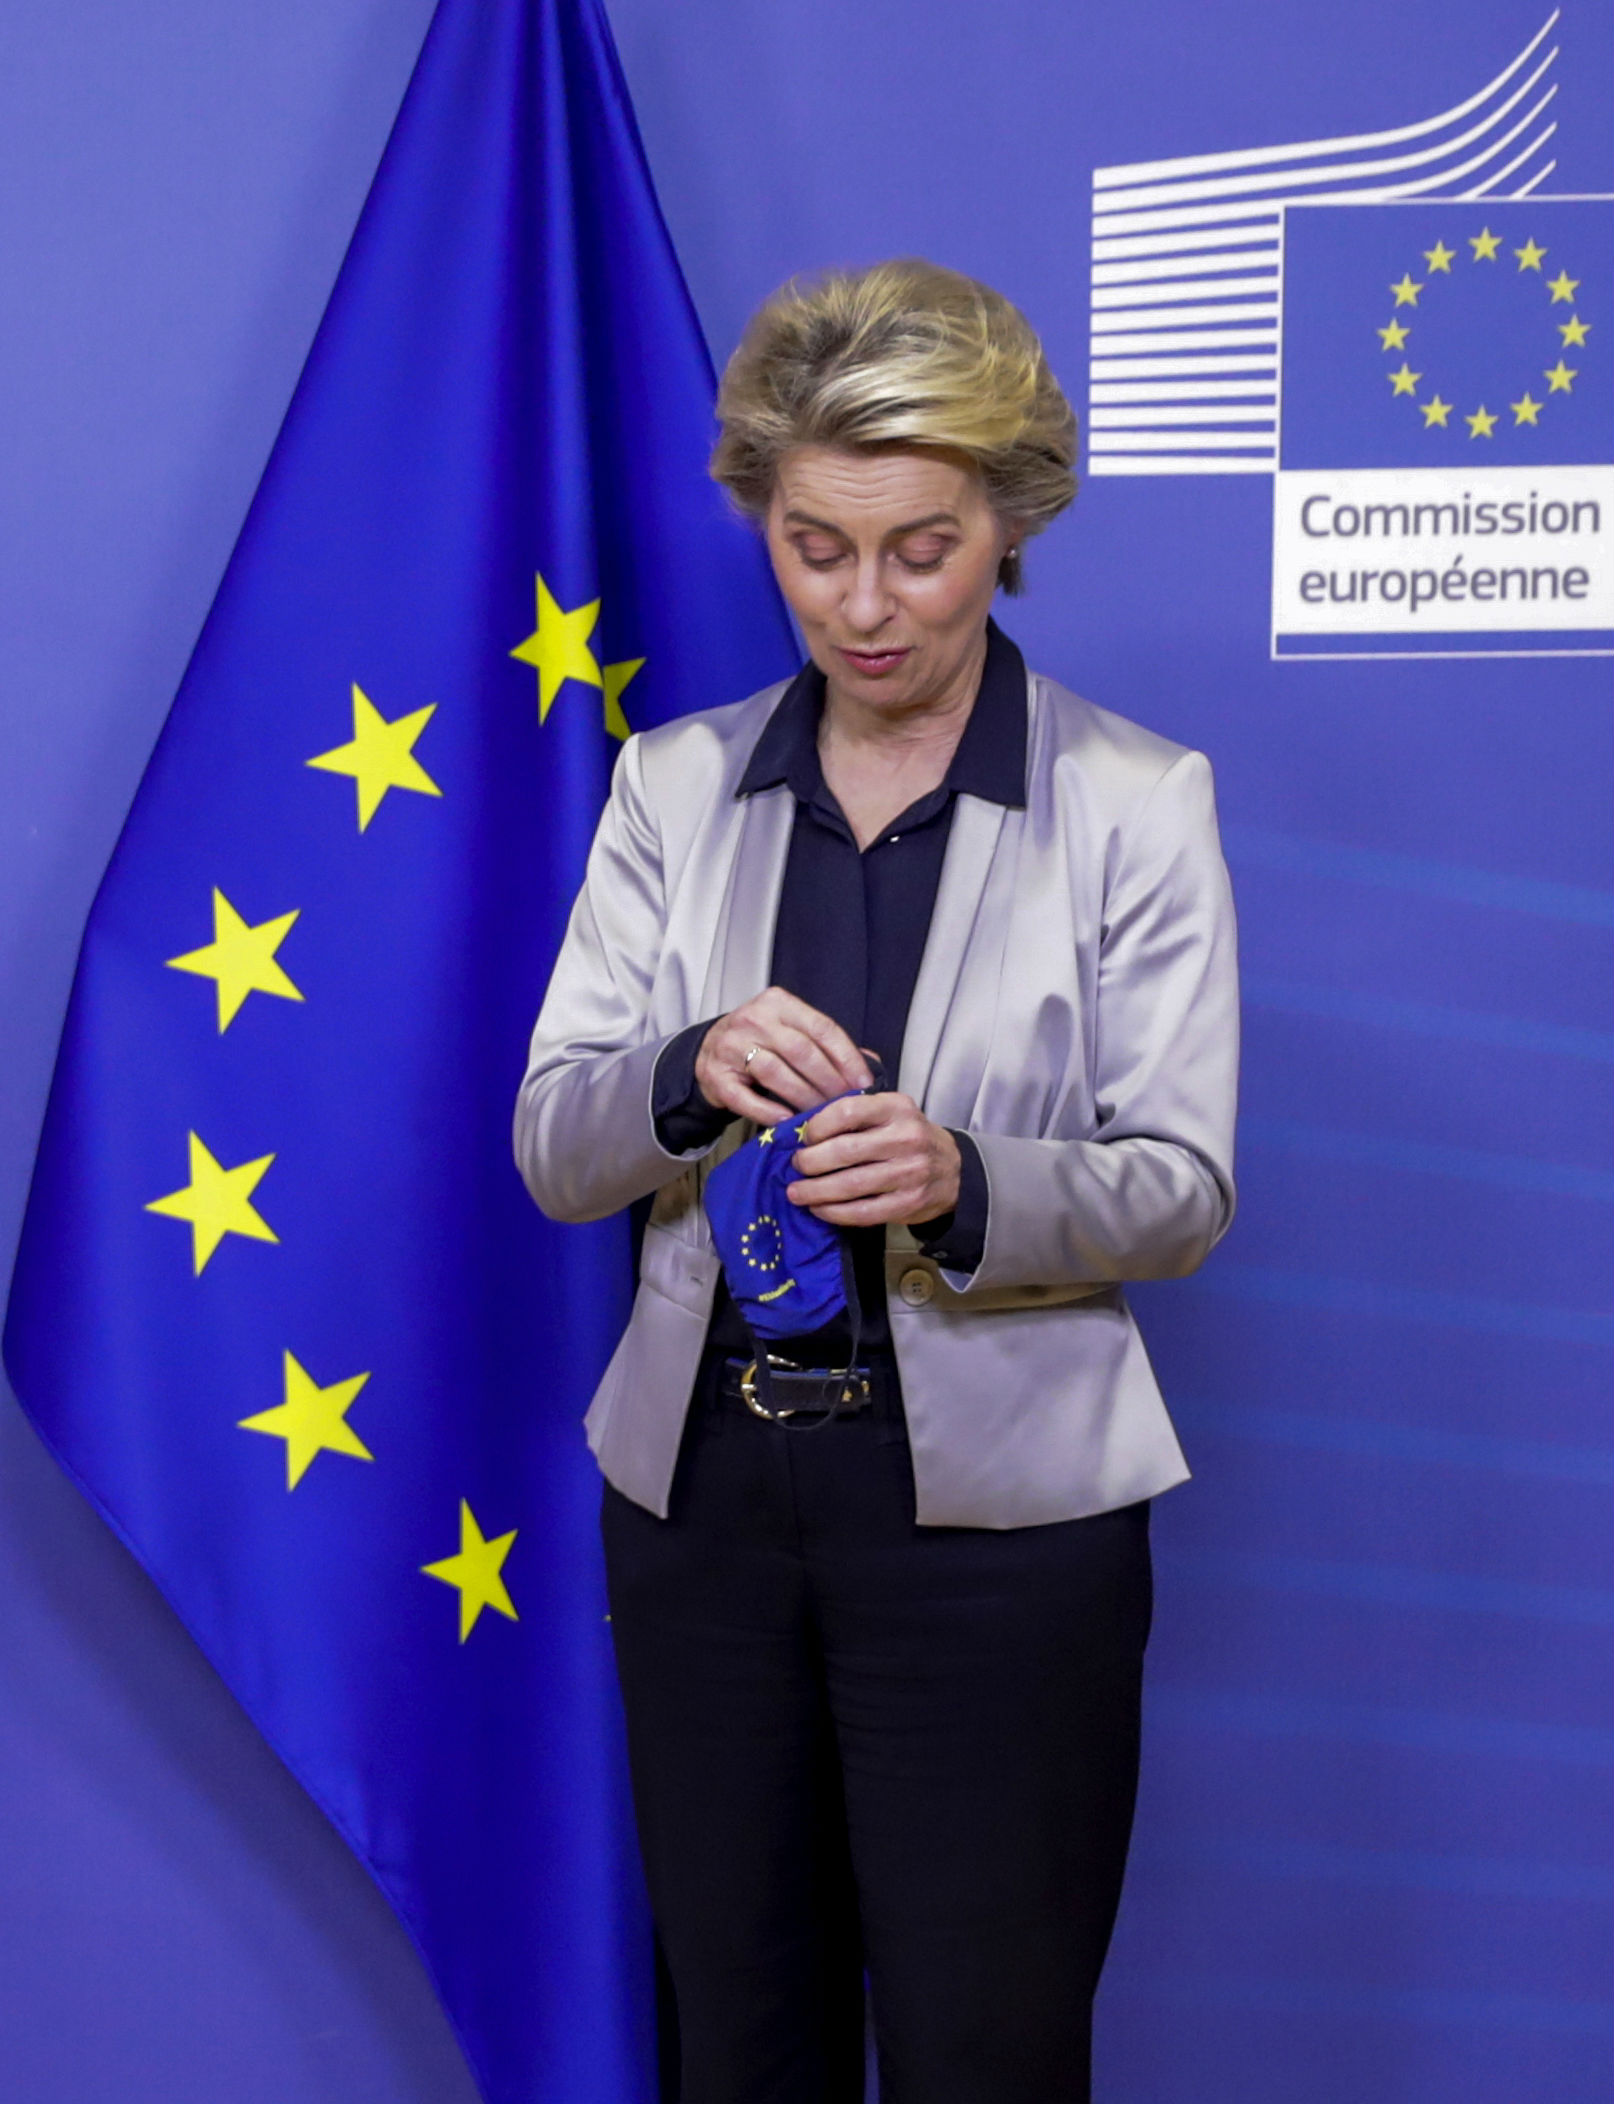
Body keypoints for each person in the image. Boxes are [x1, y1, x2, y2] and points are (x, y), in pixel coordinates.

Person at [512, 259, 1239, 2101]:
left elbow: (1181, 1184)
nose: (862, 603)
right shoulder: (670, 787)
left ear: (1011, 525)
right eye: (811, 545)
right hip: (701, 1508)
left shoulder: (1134, 798)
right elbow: (548, 1148)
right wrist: (681, 1078)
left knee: (983, 2049)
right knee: (735, 2042)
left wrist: (960, 1176)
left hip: (1002, 1537)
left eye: (918, 548)